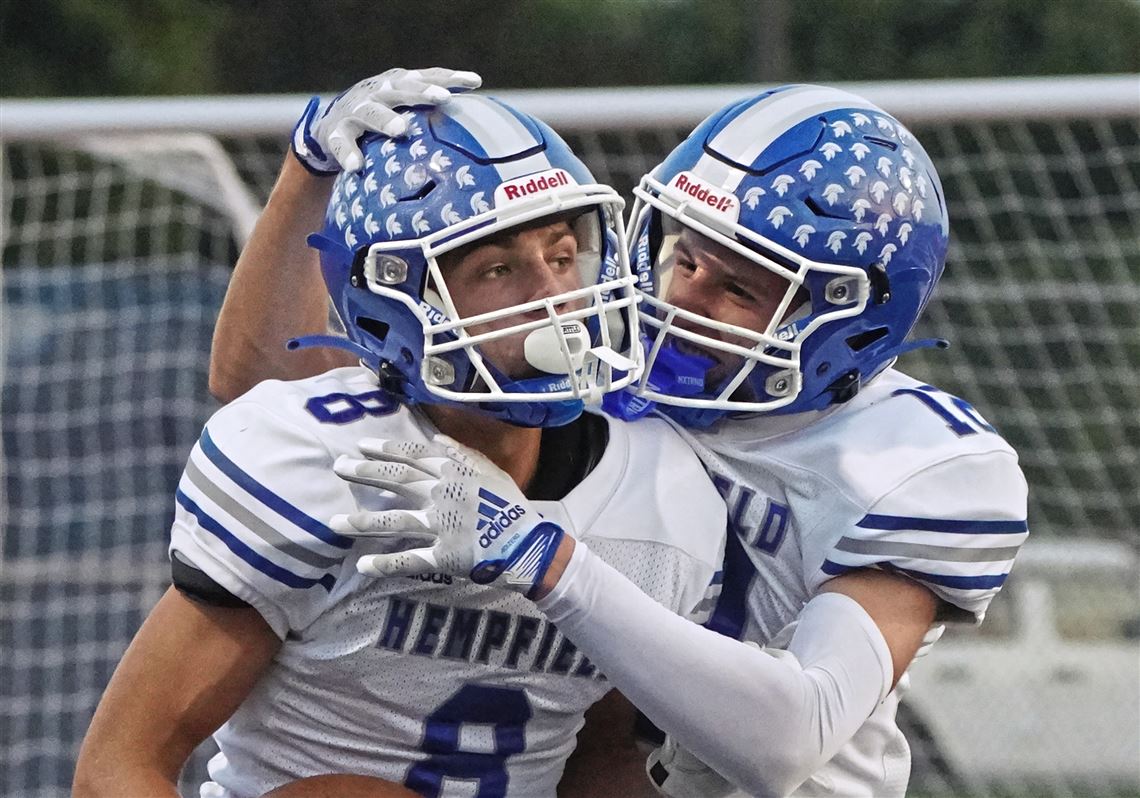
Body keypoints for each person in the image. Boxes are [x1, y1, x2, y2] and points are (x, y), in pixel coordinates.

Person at [331, 84, 1030, 797]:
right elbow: (278, 388)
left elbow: (790, 743)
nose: (682, 300)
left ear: (846, 325)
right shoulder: (595, 369)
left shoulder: (917, 463)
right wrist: (308, 175)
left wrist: (546, 561)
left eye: (738, 290)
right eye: (685, 259)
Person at [72, 75, 726, 798]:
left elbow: (603, 760)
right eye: (499, 269)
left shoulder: (658, 487)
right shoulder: (320, 465)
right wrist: (308, 173)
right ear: (398, 309)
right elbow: (114, 772)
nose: (554, 296)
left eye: (563, 253)